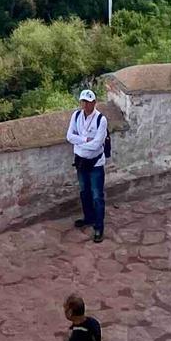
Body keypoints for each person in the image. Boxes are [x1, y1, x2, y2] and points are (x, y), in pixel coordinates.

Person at [66, 89, 110, 242]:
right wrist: (85, 140)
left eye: (88, 102)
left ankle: (99, 228)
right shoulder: (76, 116)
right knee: (84, 192)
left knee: (97, 196)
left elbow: (97, 144)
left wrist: (80, 142)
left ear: (94, 103)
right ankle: (89, 218)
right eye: (83, 102)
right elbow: (69, 136)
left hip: (96, 163)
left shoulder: (101, 120)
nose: (85, 105)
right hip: (81, 162)